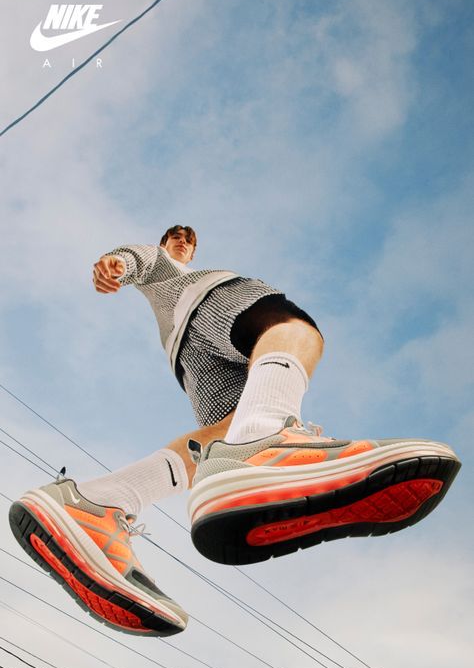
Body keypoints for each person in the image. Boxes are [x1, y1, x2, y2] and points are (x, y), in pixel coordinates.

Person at [9, 225, 461, 637]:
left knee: (223, 439)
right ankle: (266, 441)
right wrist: (118, 264)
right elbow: (138, 258)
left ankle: (97, 502)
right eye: (176, 236)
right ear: (167, 243)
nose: (183, 241)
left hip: (188, 359)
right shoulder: (175, 270)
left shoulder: (171, 293)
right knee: (294, 330)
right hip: (209, 302)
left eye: (189, 238)